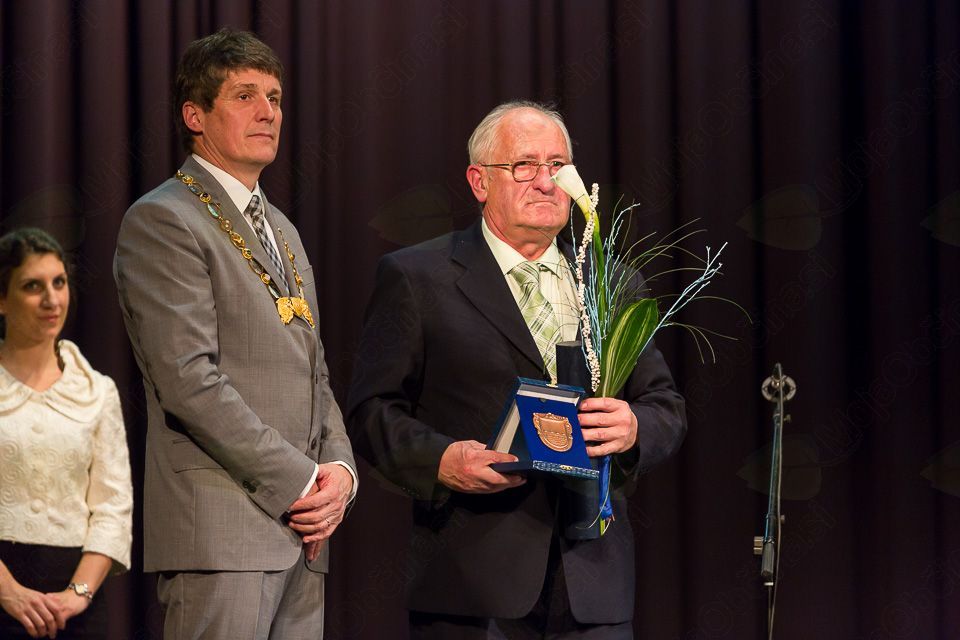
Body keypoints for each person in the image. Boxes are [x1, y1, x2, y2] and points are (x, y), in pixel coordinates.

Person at [347, 101, 687, 639]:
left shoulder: (611, 282)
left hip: (593, 586)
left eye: (558, 165)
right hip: (472, 584)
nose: (547, 182)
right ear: (479, 181)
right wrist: (440, 460)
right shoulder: (417, 276)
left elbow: (665, 405)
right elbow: (371, 410)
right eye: (525, 165)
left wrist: (633, 427)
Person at [114, 29, 356, 639]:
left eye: (274, 98)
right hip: (221, 533)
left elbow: (316, 372)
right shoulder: (164, 219)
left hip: (304, 535)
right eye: (245, 96)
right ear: (195, 116)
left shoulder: (283, 229)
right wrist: (301, 480)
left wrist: (338, 472)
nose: (267, 112)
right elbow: (188, 381)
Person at [0, 228, 133, 640]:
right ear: (2, 299)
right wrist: (8, 592)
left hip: (74, 605)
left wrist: (77, 595)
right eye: (32, 286)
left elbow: (113, 506)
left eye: (59, 283)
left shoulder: (97, 391)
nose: (52, 300)